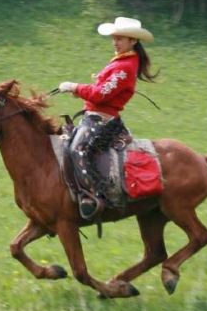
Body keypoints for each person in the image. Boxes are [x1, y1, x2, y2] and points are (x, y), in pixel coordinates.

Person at [58, 16, 157, 220]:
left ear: (133, 41)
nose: (115, 42)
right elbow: (99, 92)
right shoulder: (122, 62)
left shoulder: (125, 67)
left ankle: (92, 196)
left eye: (120, 38)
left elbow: (100, 94)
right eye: (114, 38)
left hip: (102, 119)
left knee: (78, 149)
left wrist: (74, 87)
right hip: (93, 115)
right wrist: (82, 92)